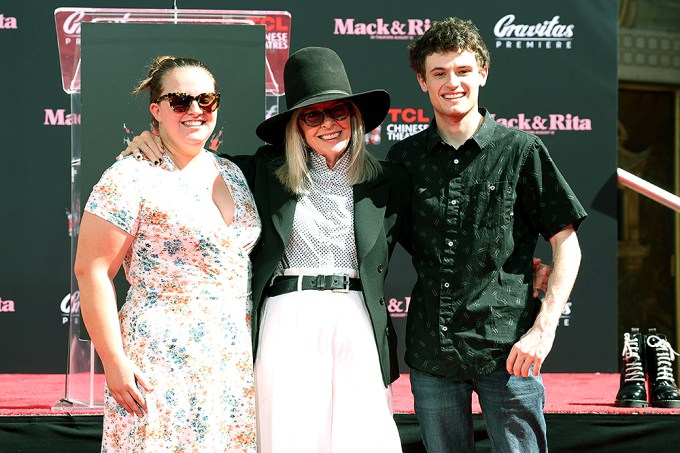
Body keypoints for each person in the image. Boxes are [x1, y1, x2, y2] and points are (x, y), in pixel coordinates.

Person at [121, 47, 407, 452]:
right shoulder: (261, 172)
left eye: (338, 111)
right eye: (313, 115)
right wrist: (151, 141)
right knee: (288, 436)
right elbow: (193, 159)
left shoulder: (389, 180)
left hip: (357, 319)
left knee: (362, 437)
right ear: (296, 124)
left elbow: (432, 243)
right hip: (285, 318)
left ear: (355, 116)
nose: (328, 124)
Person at [386, 17, 587, 452]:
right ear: (422, 81)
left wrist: (544, 328)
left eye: (462, 70)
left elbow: (565, 241)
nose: (452, 82)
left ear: (482, 73)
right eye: (439, 72)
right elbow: (374, 243)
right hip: (431, 354)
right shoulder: (404, 159)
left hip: (510, 352)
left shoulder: (521, 150)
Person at [74, 56, 260, 451]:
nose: (195, 110)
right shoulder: (129, 175)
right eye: (180, 101)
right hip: (159, 360)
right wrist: (113, 361)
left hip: (230, 361)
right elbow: (92, 271)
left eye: (206, 100)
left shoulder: (233, 173)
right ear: (156, 110)